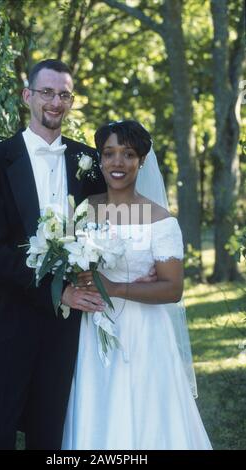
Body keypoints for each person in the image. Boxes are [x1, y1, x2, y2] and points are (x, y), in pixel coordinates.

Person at [0, 59, 107, 449]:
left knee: (50, 429)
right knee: (2, 429)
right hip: (11, 313)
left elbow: (102, 230)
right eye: (47, 92)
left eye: (64, 94)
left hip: (66, 323)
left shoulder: (89, 163)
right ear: (27, 96)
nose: (56, 102)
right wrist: (55, 290)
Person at [61, 120, 212, 450]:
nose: (118, 163)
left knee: (147, 418)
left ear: (142, 161)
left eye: (128, 154)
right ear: (99, 160)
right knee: (98, 410)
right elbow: (68, 267)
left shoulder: (160, 220)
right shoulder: (82, 212)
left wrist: (113, 288)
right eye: (109, 153)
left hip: (144, 334)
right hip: (92, 330)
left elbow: (173, 289)